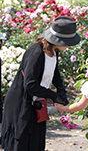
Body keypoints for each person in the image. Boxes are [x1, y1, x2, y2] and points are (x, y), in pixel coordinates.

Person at [1, 16, 81, 151]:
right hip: (21, 104)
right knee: (22, 143)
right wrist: (53, 95)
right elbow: (30, 85)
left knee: (36, 143)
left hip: (36, 104)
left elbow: (55, 74)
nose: (70, 45)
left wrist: (61, 92)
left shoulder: (53, 51)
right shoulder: (36, 52)